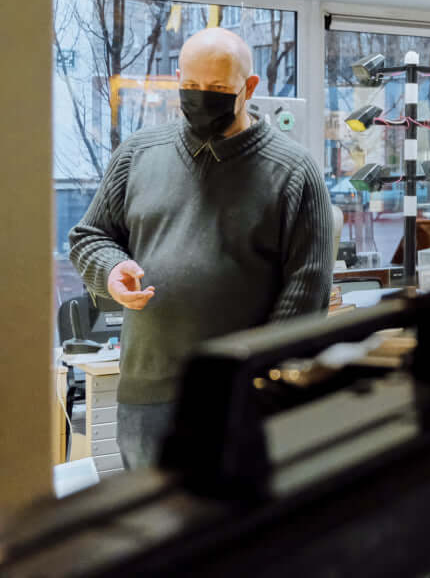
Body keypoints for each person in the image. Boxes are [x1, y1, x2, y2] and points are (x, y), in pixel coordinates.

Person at [67, 28, 334, 469]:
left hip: (241, 397)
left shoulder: (292, 171)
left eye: (217, 89)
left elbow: (307, 287)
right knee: (152, 512)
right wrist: (111, 270)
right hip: (147, 394)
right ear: (177, 79)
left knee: (237, 511)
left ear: (249, 88)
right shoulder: (138, 154)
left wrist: (259, 380)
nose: (201, 97)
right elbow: (90, 236)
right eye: (191, 85)